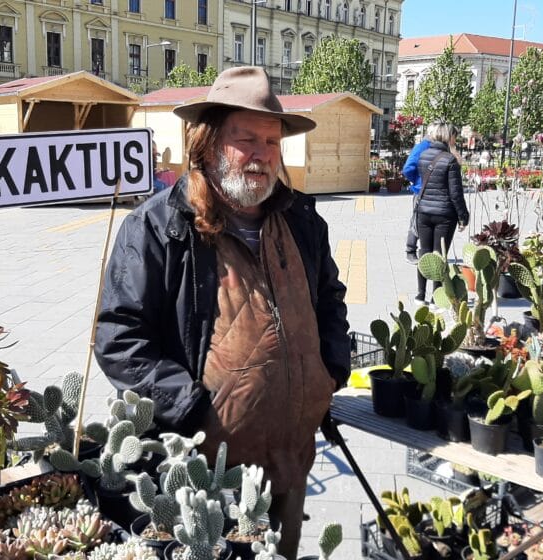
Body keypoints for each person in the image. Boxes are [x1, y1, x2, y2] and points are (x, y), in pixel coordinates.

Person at [94, 66, 350, 559]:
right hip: (205, 474)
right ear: (209, 144)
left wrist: (331, 370)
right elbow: (120, 339)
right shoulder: (160, 227)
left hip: (291, 458)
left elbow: (329, 297)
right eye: (246, 140)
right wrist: (191, 409)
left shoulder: (300, 218)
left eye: (272, 142)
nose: (262, 155)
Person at [414, 122, 469, 305]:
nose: (455, 139)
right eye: (454, 135)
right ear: (447, 136)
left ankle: (420, 295)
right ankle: (436, 296)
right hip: (445, 214)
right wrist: (463, 216)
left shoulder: (423, 155)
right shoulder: (450, 160)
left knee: (424, 252)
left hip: (423, 211)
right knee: (439, 255)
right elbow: (455, 193)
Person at [401, 135, 430, 264]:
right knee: (417, 221)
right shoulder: (422, 147)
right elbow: (408, 169)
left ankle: (427, 253)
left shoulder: (444, 148)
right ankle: (410, 251)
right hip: (421, 190)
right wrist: (417, 181)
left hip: (434, 191)